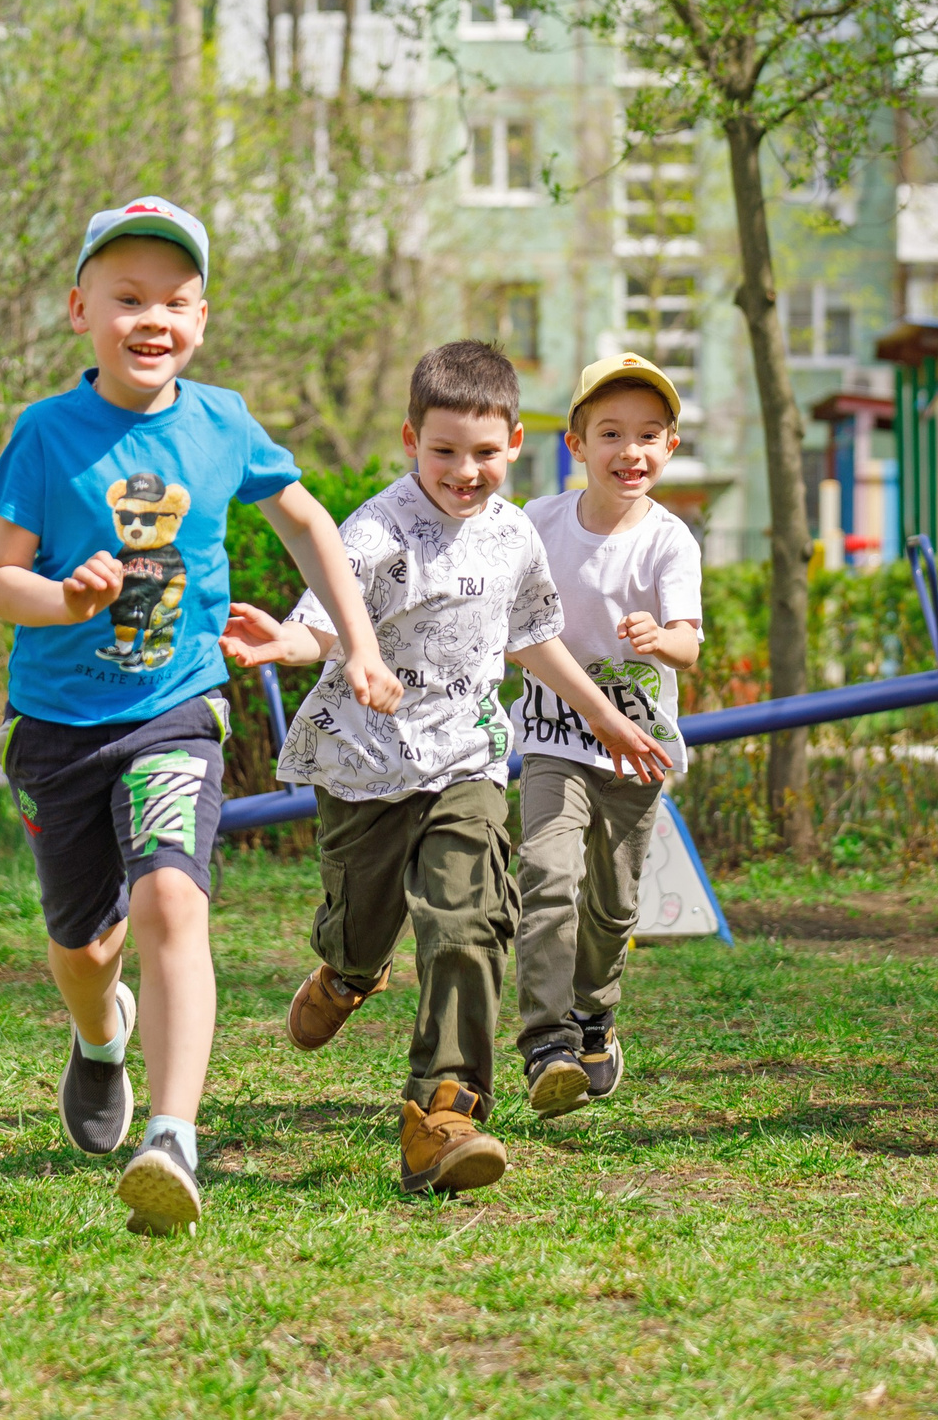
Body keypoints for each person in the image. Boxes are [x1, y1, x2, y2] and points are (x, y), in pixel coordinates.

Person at [0, 194, 398, 1238]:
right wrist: (63, 596)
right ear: (82, 310)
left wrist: (358, 643)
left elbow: (306, 523)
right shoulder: (45, 433)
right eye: (127, 298)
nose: (152, 318)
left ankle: (173, 1135)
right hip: (58, 726)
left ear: (201, 321)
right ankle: (101, 1039)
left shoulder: (223, 423)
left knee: (173, 900)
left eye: (174, 300)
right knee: (83, 946)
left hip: (176, 712)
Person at [221, 340, 670, 1196]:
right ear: (409, 440)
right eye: (445, 452)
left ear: (517, 442)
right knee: (363, 921)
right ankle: (349, 968)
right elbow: (326, 612)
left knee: (468, 922)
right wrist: (288, 641)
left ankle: (443, 1108)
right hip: (367, 767)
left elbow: (534, 635)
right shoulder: (380, 529)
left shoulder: (512, 536)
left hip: (467, 760)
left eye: (487, 453)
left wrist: (605, 714)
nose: (467, 471)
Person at [509, 354, 704, 1118]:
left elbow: (690, 644)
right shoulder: (537, 522)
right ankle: (547, 1040)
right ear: (576, 444)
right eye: (612, 433)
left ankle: (594, 1010)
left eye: (650, 435)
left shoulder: (669, 541)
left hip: (639, 750)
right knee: (548, 879)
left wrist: (660, 636)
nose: (632, 451)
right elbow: (513, 625)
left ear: (671, 448)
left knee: (613, 903)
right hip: (557, 738)